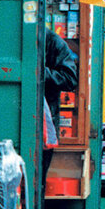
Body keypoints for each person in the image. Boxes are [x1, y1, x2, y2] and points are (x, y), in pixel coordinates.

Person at [42, 29, 78, 183]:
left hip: (45, 119)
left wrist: (40, 72)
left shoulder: (53, 41)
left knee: (38, 178)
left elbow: (70, 79)